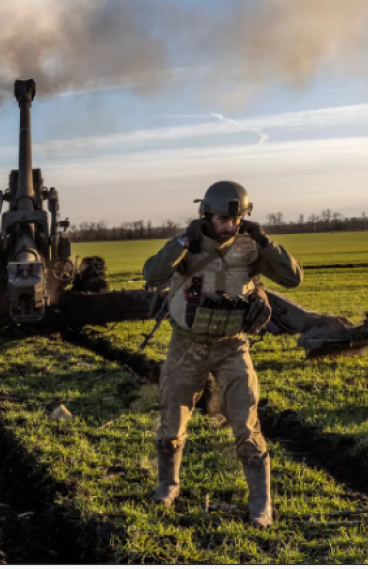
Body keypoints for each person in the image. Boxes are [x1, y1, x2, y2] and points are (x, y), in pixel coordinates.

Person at [142, 181, 303, 527]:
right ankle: (168, 485)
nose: (230, 226)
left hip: (233, 346)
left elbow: (293, 279)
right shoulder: (187, 246)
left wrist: (266, 242)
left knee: (247, 425)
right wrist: (183, 242)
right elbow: (151, 274)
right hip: (187, 346)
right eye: (222, 219)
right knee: (172, 424)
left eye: (237, 219)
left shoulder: (250, 249)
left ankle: (261, 504)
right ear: (206, 216)